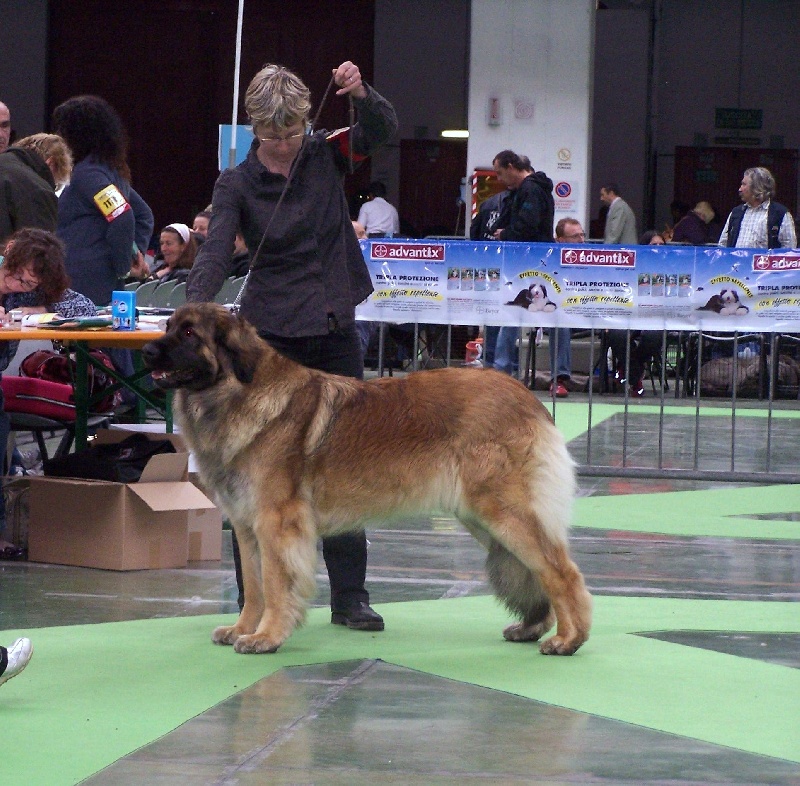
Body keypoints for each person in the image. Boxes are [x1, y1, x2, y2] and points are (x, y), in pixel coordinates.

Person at [187, 60, 397, 631]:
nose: (283, 144)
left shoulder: (327, 153)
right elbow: (214, 251)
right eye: (271, 135)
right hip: (270, 338)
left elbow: (382, 131)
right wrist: (194, 311)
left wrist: (361, 93)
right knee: (255, 472)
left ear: (305, 123)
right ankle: (252, 599)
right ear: (253, 128)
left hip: (332, 326)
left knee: (345, 463)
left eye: (291, 132)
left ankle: (350, 597)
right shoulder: (235, 183)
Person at [0, 228, 96, 558]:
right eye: (16, 276)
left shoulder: (27, 295)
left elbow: (85, 309)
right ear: (9, 257)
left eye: (29, 284)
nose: (18, 286)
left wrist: (38, 310)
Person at [52, 95, 154, 306]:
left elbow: (122, 215)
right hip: (100, 281)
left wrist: (123, 266)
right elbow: (143, 215)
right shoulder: (111, 171)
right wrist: (134, 255)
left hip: (82, 283)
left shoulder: (87, 174)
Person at [490, 150, 555, 377]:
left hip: (526, 260)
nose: (499, 179)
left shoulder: (530, 190)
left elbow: (527, 225)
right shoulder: (530, 190)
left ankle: (501, 369)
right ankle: (558, 373)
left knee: (511, 314)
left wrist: (505, 234)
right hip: (538, 260)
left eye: (500, 173)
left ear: (511, 167)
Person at [606, 229, 665, 397]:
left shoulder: (671, 269)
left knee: (653, 336)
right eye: (654, 245)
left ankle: (627, 370)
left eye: (661, 245)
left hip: (655, 317)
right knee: (617, 334)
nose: (658, 248)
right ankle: (635, 377)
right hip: (627, 315)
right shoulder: (629, 267)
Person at [0, 133, 72, 249]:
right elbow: (39, 253)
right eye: (55, 184)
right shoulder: (38, 190)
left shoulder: (4, 163)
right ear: (51, 163)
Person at [548, 218, 588, 397]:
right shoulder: (549, 261)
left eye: (582, 235)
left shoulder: (593, 258)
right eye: (575, 236)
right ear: (560, 240)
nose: (581, 240)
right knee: (560, 321)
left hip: (589, 312)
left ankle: (627, 377)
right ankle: (559, 380)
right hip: (560, 313)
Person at [718, 167, 797, 249]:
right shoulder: (736, 213)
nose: (740, 189)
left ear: (757, 187)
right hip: (735, 258)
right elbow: (722, 245)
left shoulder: (780, 214)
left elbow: (789, 248)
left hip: (765, 258)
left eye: (744, 184)